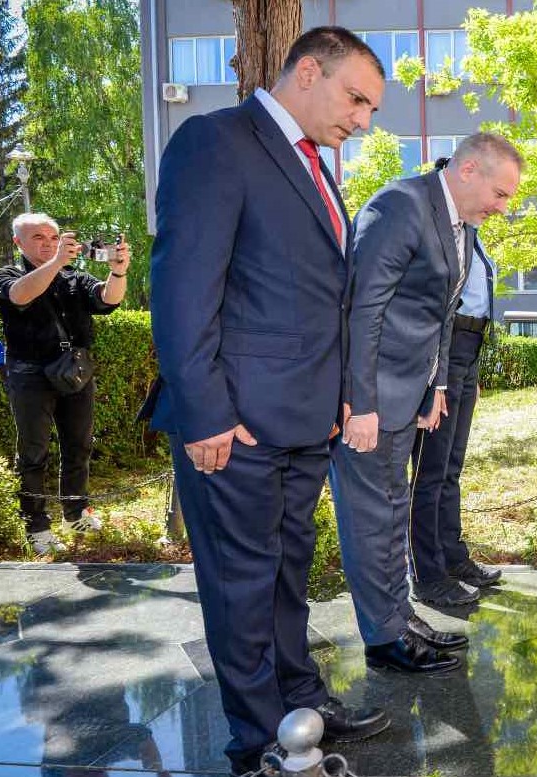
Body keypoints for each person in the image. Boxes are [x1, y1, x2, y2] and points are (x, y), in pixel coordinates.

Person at [147, 27, 390, 774]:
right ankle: (258, 740)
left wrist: (347, 397)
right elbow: (184, 290)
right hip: (237, 427)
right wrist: (206, 412)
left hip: (303, 423)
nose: (363, 121)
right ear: (307, 71)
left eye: (372, 109)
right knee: (242, 587)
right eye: (356, 99)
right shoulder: (215, 141)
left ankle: (301, 704)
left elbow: (323, 301)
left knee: (288, 575)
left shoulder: (314, 165)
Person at [328, 138, 522, 671]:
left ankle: (399, 616)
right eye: (500, 193)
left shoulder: (456, 224)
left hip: (408, 393)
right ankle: (383, 639)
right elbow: (361, 307)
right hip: (370, 401)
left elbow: (441, 311)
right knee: (371, 519)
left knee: (392, 513)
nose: (503, 206)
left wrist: (434, 387)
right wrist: (359, 402)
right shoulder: (400, 206)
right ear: (467, 170)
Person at [407, 135, 522, 609]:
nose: (499, 208)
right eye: (498, 195)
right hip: (445, 349)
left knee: (451, 466)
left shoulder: (468, 232)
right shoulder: (428, 221)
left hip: (468, 350)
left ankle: (453, 557)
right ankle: (427, 572)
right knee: (430, 469)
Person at [0, 214, 129, 555]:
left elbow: (108, 299)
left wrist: (119, 270)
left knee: (78, 445)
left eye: (53, 237)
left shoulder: (73, 276)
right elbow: (19, 297)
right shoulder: (4, 276)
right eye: (38, 237)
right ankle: (35, 525)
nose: (48, 243)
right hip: (29, 373)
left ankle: (76, 512)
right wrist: (56, 263)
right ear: (18, 243)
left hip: (74, 371)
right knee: (34, 453)